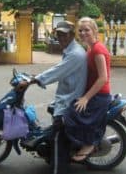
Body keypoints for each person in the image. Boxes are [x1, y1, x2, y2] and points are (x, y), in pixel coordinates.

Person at [18, 21, 87, 174]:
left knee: (57, 139)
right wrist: (35, 77)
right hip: (67, 95)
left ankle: (58, 169)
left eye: (64, 34)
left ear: (71, 34)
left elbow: (57, 71)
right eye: (59, 34)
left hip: (70, 101)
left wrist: (34, 79)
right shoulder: (70, 50)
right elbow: (59, 71)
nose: (61, 37)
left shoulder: (75, 53)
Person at [64, 17, 112, 162]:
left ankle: (89, 144)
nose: (83, 33)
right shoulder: (90, 47)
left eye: (87, 30)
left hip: (99, 95)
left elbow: (103, 78)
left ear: (94, 31)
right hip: (92, 92)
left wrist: (86, 98)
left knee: (72, 113)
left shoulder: (97, 49)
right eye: (81, 30)